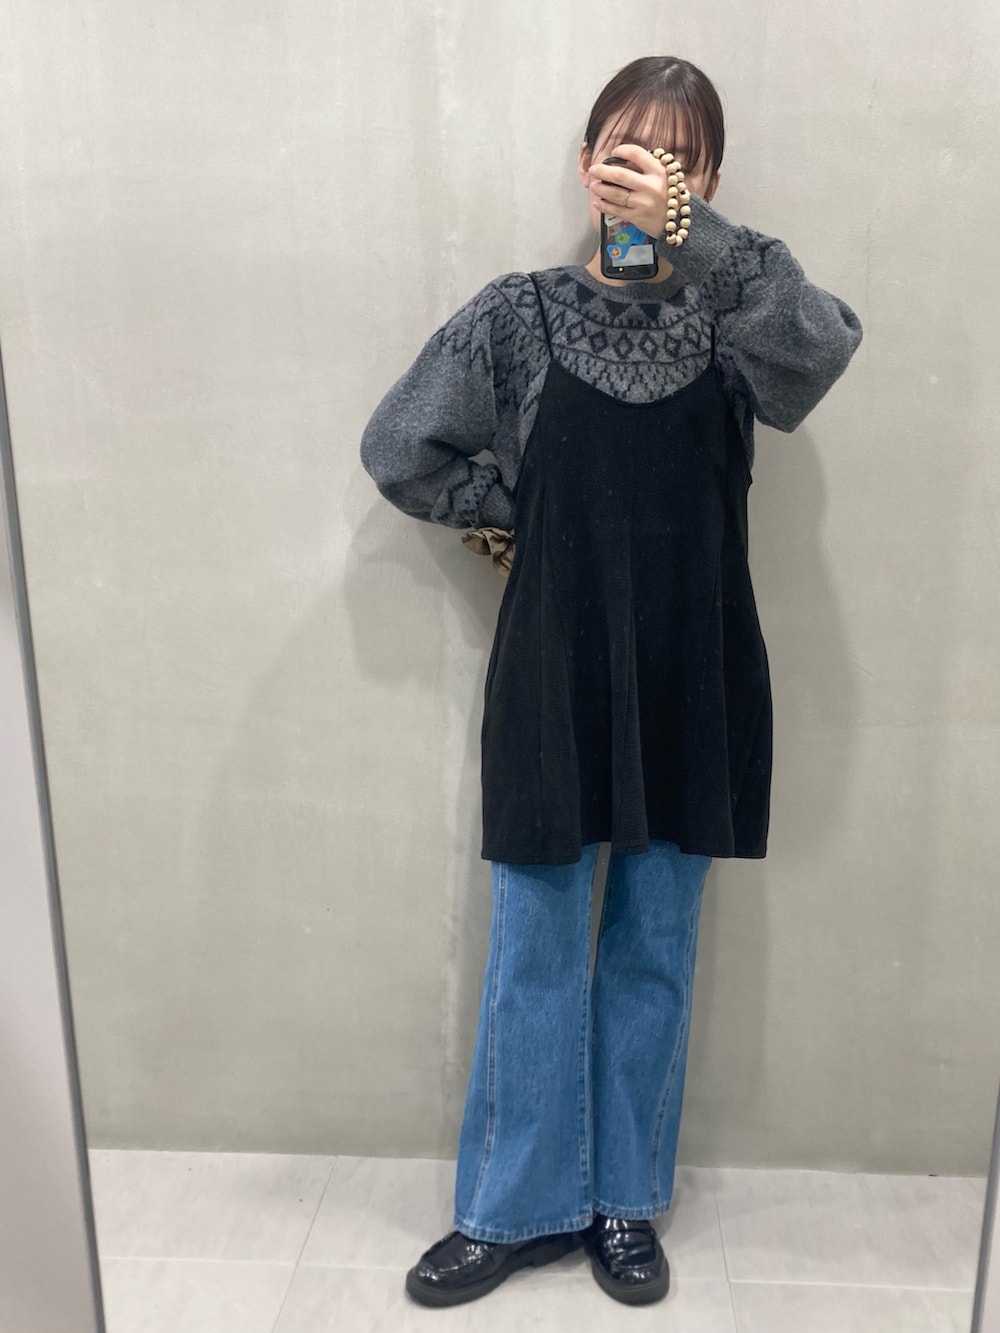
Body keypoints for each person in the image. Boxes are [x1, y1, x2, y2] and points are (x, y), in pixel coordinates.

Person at [359, 54, 863, 1309]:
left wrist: (697, 241)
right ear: (585, 161)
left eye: (679, 156)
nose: (650, 171)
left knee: (655, 947)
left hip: (696, 672)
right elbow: (399, 445)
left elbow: (821, 354)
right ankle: (511, 1208)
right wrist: (508, 512)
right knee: (535, 944)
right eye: (631, 147)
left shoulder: (737, 321)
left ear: (708, 180)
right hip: (554, 672)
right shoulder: (516, 314)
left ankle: (624, 1201)